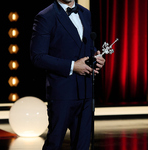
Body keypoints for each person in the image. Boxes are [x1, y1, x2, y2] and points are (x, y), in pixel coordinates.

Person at [30, 0, 105, 149]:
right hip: (62, 92)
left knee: (82, 145)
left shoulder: (85, 13)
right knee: (55, 142)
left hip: (86, 90)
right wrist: (72, 66)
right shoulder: (46, 16)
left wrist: (96, 56)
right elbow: (37, 56)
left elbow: (86, 45)